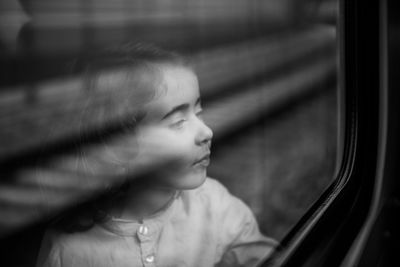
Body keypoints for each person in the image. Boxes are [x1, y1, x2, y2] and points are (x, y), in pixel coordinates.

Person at [36, 43, 277, 267]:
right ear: (118, 146)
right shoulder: (68, 252)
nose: (207, 132)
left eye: (199, 111)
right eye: (178, 121)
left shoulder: (216, 206)